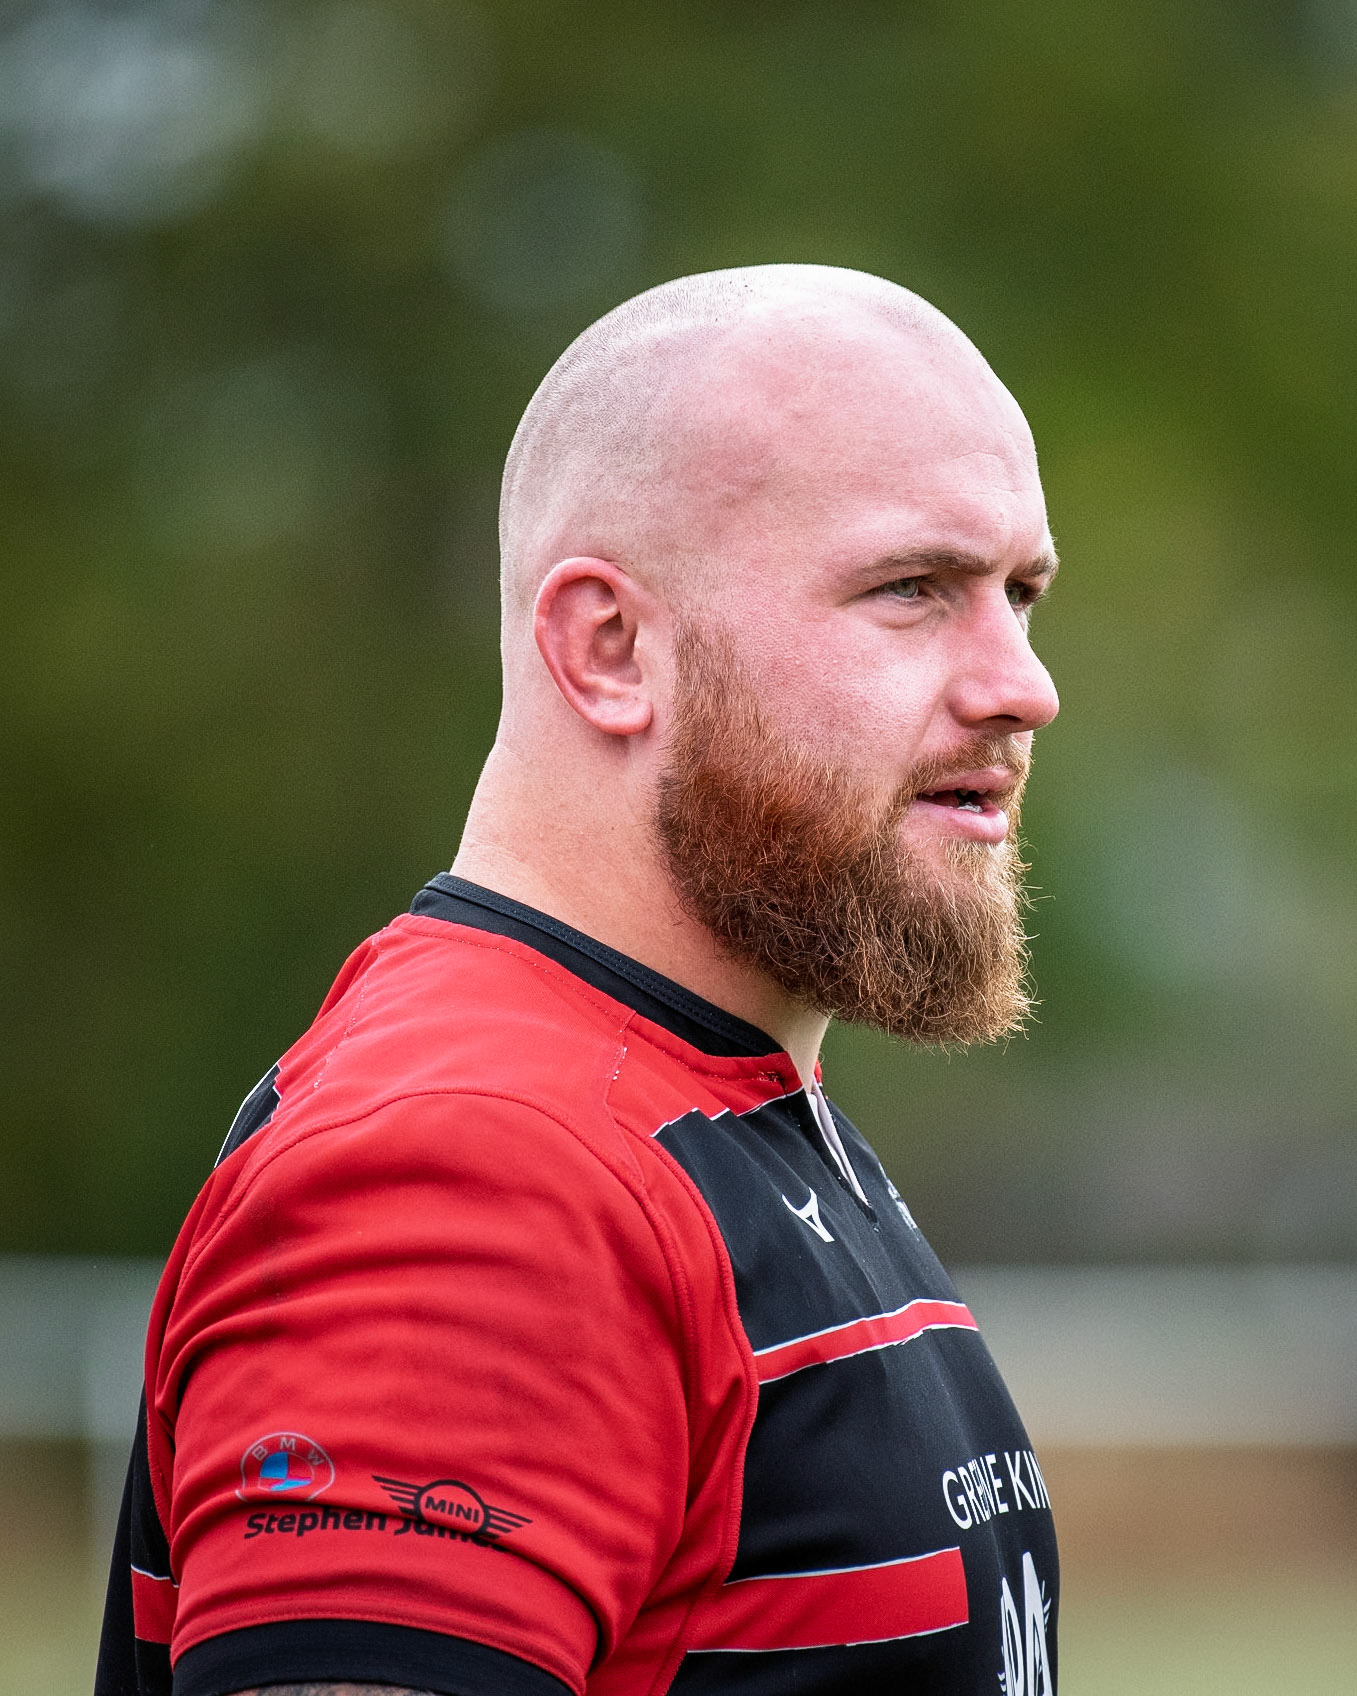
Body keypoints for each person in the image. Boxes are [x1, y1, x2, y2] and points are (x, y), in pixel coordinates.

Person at [96, 264, 1063, 1696]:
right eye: (911, 589)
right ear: (607, 648)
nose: (1020, 684)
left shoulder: (708, 1097)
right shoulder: (482, 1168)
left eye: (1019, 591)